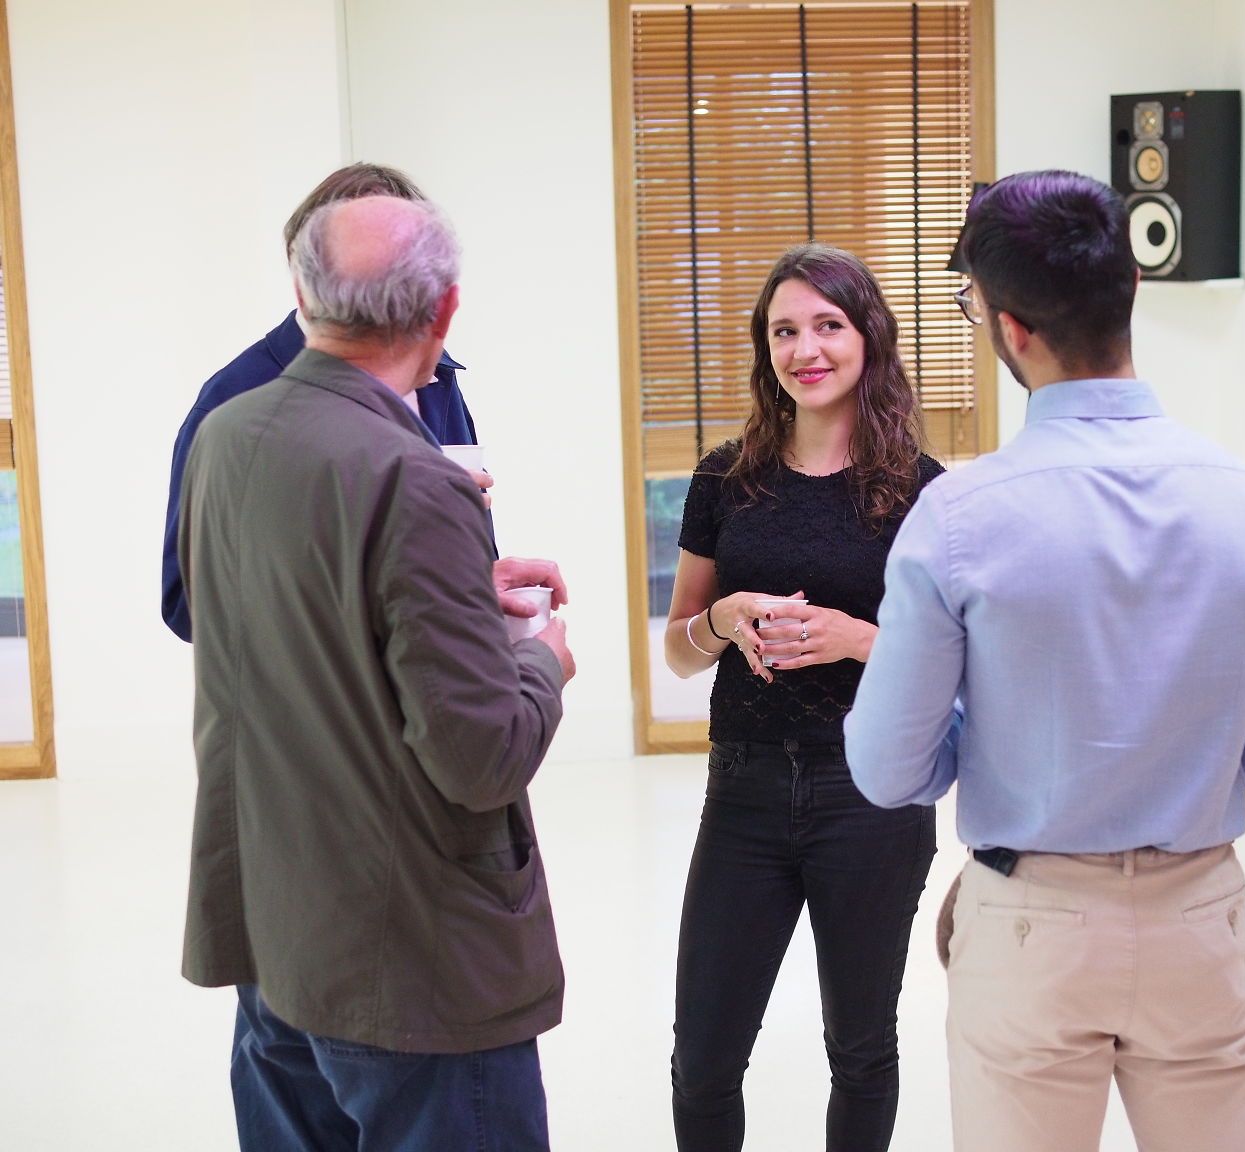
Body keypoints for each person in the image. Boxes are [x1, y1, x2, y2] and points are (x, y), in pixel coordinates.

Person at [844, 169, 1245, 1152]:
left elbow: (887, 768)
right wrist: (1180, 758)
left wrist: (1020, 752)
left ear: (1011, 329)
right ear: (1131, 291)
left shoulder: (958, 520)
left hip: (1030, 927)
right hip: (1200, 918)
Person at [178, 194, 576, 1152]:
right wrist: (541, 661)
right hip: (408, 961)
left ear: (302, 293)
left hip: (277, 922)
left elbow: (292, 628)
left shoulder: (228, 435)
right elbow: (481, 756)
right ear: (444, 309)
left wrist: (456, 594)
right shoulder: (416, 478)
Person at [662, 242, 943, 1152]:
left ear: (868, 337)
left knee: (860, 1051)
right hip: (742, 791)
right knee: (703, 1059)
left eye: (827, 325)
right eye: (784, 331)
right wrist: (723, 620)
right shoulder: (723, 478)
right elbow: (679, 651)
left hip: (871, 793)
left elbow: (961, 663)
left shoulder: (923, 491)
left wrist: (859, 639)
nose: (805, 349)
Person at [160, 162, 549, 642]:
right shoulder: (234, 402)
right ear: (306, 275)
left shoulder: (438, 377)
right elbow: (188, 605)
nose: (387, 300)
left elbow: (450, 560)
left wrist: (475, 582)